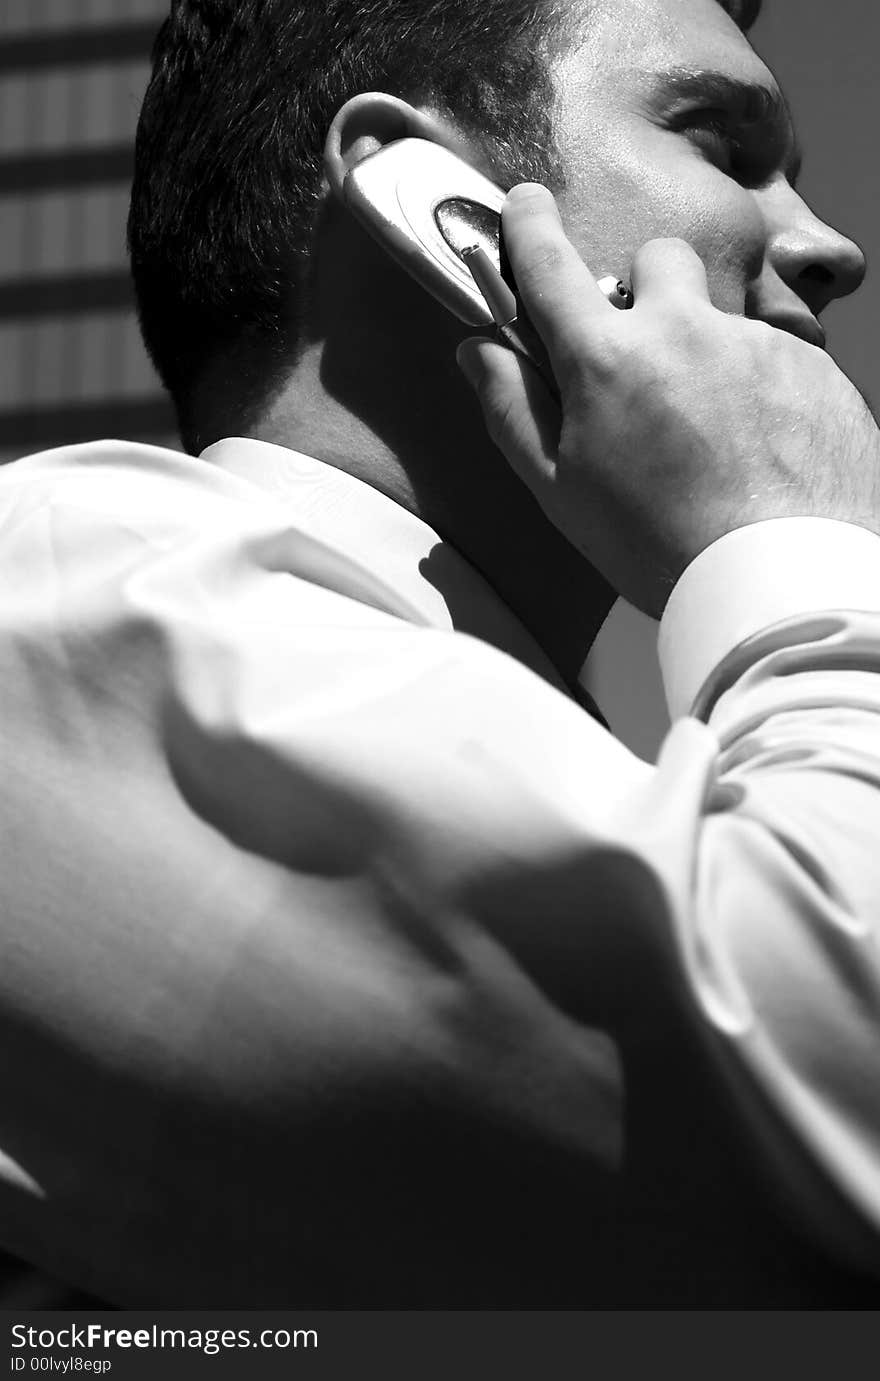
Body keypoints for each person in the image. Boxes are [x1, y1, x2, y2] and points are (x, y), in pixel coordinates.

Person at [0, 0, 878, 1306]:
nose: (829, 245)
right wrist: (788, 536)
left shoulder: (635, 798)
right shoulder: (64, 590)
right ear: (432, 200)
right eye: (724, 142)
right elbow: (818, 1148)